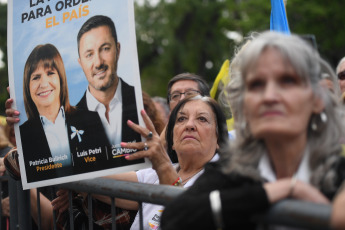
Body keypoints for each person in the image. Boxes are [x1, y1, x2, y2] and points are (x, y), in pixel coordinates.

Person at [161, 31, 345, 229]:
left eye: (287, 81)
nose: (269, 96)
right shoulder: (234, 170)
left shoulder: (338, 175)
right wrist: (281, 190)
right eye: (256, 84)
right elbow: (174, 219)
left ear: (317, 100)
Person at [53, 95, 229, 230]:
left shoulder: (226, 179)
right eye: (181, 119)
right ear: (173, 141)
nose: (190, 125)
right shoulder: (153, 174)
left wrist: (162, 165)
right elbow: (95, 177)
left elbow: (190, 215)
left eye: (202, 119)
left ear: (219, 138)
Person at [20, 44, 109, 182]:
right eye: (36, 77)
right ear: (27, 86)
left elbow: (108, 169)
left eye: (50, 73)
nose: (43, 84)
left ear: (61, 79)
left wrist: (80, 196)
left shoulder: (91, 119)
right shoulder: (22, 134)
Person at [76, 15, 141, 151]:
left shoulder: (143, 104)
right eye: (89, 55)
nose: (98, 62)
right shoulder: (68, 121)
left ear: (117, 50)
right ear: (81, 63)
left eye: (105, 48)